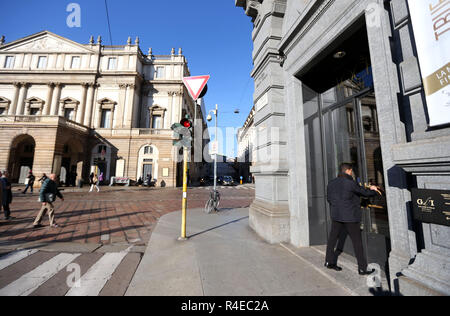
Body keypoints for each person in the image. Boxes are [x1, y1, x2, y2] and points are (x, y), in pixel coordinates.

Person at [325, 163, 379, 276]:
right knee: (357, 242)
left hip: (336, 215)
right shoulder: (350, 183)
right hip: (350, 217)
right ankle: (362, 268)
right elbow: (364, 193)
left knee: (332, 239)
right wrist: (373, 190)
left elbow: (329, 199)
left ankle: (329, 262)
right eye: (351, 171)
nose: (352, 173)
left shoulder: (331, 183)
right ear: (348, 171)